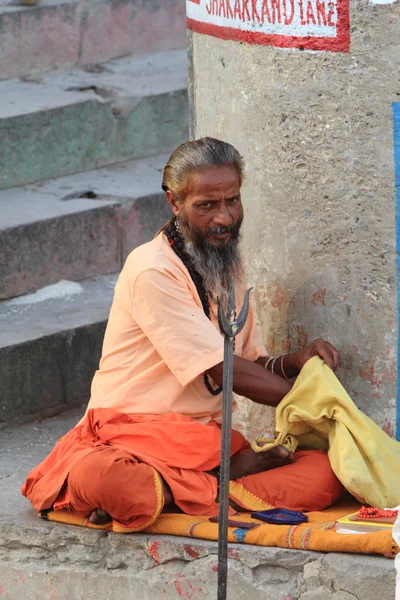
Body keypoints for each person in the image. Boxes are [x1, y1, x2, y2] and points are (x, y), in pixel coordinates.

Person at [22, 138, 344, 530]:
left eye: (233, 200)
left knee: (325, 473)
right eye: (207, 205)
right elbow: (222, 371)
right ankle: (218, 482)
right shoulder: (151, 269)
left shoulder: (226, 260)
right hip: (129, 439)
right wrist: (319, 404)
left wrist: (294, 363)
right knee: (112, 482)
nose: (224, 218)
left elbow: (249, 362)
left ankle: (196, 486)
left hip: (204, 445)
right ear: (174, 202)